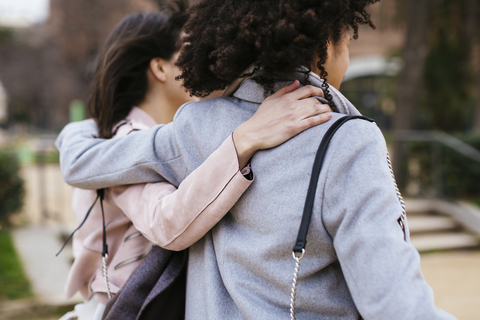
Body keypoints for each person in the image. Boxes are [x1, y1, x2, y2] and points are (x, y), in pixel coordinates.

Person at [56, 0, 457, 319]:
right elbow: (394, 305)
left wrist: (82, 126)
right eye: (347, 41)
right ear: (325, 44)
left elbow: (81, 162)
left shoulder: (198, 126)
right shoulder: (349, 141)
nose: (347, 57)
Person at [58, 3, 333, 320]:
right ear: (160, 69)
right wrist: (246, 139)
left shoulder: (152, 135)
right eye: (188, 53)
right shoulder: (128, 139)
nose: (200, 63)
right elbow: (168, 223)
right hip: (132, 309)